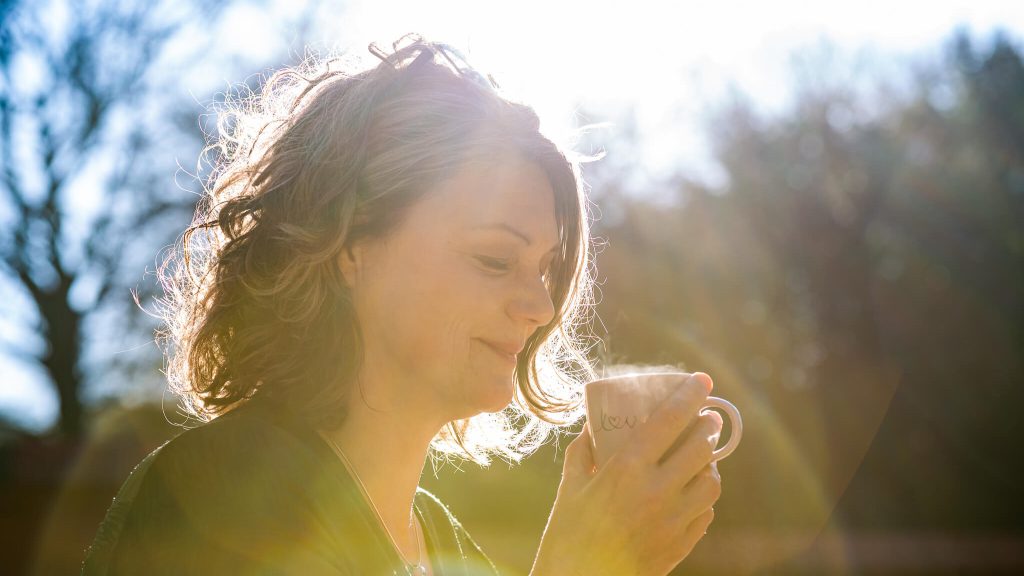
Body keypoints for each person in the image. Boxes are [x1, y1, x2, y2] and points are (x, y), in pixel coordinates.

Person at [81, 34, 724, 576]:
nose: (538, 307)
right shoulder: (220, 492)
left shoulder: (445, 546)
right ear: (350, 243)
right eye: (495, 260)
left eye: (548, 270)